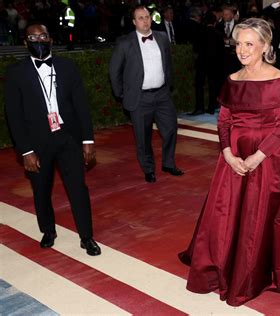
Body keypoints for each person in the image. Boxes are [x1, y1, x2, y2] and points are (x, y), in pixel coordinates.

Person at [179, 18, 280, 307]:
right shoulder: (232, 80)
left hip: (269, 160)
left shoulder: (279, 80)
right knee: (227, 213)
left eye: (249, 44)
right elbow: (223, 122)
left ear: (265, 46)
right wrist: (229, 154)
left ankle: (253, 270)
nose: (242, 50)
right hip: (233, 159)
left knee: (260, 216)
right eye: (238, 44)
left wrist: (257, 157)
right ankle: (224, 262)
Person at [4, 23, 101, 256]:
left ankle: (87, 237)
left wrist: (87, 140)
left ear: (51, 40)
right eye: (33, 37)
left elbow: (81, 106)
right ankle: (48, 230)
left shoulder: (68, 67)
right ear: (26, 43)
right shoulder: (16, 72)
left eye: (43, 35)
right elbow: (13, 115)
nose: (39, 40)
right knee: (41, 189)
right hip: (37, 142)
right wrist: (25, 151)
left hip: (68, 138)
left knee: (78, 187)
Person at [109, 5, 183, 183]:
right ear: (134, 22)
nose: (145, 21)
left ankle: (168, 163)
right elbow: (114, 70)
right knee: (143, 137)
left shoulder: (162, 37)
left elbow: (168, 64)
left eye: (147, 17)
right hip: (139, 98)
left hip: (162, 95)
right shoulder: (125, 43)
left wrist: (168, 85)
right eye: (141, 18)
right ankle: (149, 169)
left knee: (171, 129)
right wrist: (122, 94)